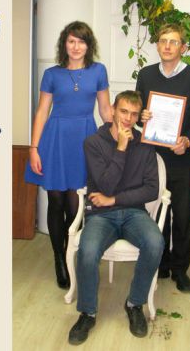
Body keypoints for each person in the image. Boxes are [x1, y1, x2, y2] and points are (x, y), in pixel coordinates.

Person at [68, 90, 164, 345]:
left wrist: (114, 200)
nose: (128, 119)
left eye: (134, 114)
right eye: (123, 111)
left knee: (156, 242)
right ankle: (87, 313)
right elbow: (106, 185)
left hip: (134, 212)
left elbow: (151, 190)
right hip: (101, 215)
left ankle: (134, 304)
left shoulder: (145, 143)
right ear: (112, 110)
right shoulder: (93, 143)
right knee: (88, 251)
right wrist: (121, 147)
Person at [24, 21, 111, 290]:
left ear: (88, 45)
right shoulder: (52, 74)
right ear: (64, 44)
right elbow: (42, 112)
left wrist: (122, 131)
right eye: (71, 41)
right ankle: (59, 259)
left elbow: (105, 110)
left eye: (81, 41)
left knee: (76, 205)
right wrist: (33, 148)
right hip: (55, 140)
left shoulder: (98, 71)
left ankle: (72, 254)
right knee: (56, 201)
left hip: (85, 139)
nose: (76, 46)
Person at [135, 23, 190, 293]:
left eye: (173, 41)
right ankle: (161, 262)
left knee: (182, 216)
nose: (167, 46)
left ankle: (180, 269)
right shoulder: (146, 75)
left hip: (182, 158)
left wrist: (187, 140)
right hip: (153, 159)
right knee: (156, 213)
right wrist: (141, 116)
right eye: (163, 40)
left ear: (183, 47)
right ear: (157, 45)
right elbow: (138, 113)